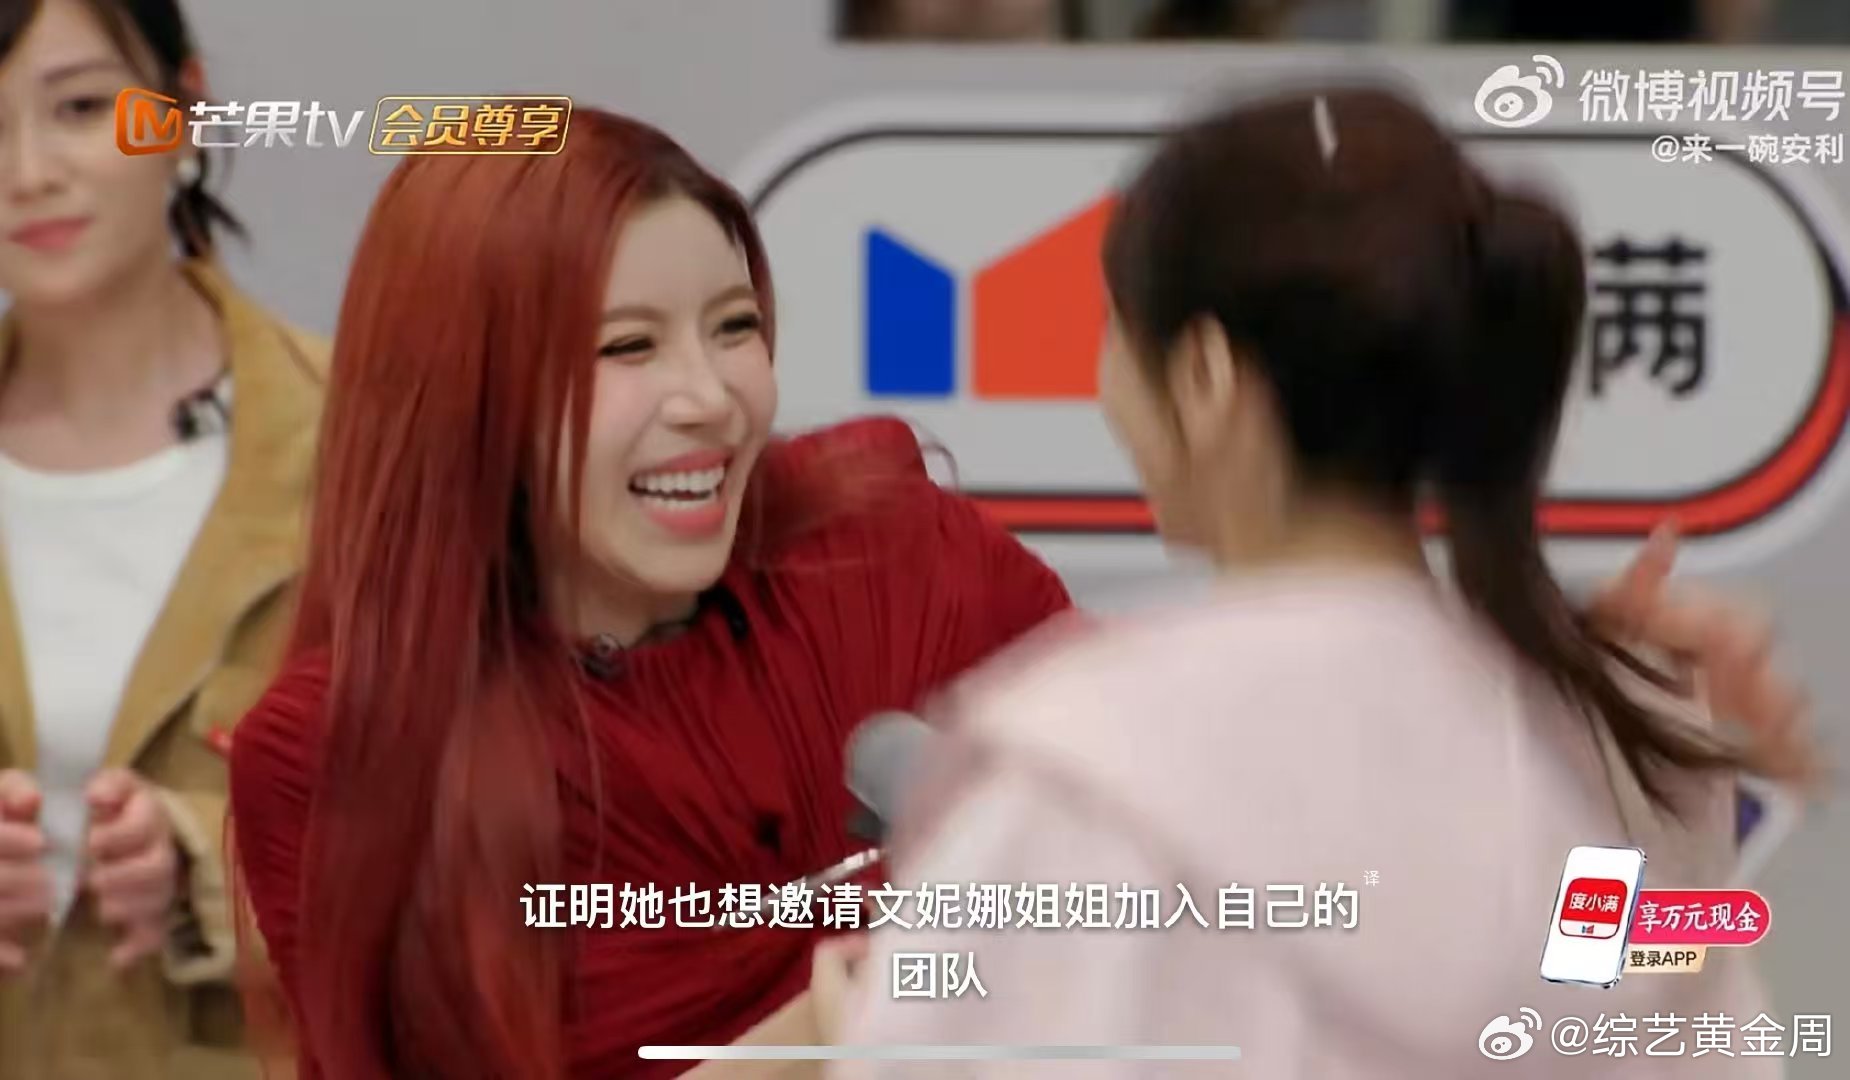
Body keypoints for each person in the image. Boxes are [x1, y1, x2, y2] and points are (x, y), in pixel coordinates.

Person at [229, 105, 1805, 1080]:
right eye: (626, 349)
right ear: (461, 393)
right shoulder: (341, 753)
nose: (711, 398)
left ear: (1198, 385)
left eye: (734, 326)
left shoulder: (1038, 712)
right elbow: (1645, 1008)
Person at [821, 86, 1816, 1077]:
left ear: (1205, 378)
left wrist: (863, 1027)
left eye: (1113, 327)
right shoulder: (1569, 752)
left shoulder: (1083, 776)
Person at [0, 1, 328, 1077]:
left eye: (79, 107)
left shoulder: (359, 436)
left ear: (181, 107)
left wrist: (211, 862)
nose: (29, 171)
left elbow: (483, 824)